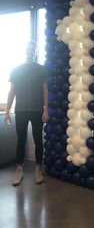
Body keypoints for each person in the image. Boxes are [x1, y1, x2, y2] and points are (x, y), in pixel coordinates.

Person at [4, 41, 49, 186]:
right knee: (21, 140)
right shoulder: (16, 70)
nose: (29, 51)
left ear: (35, 51)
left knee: (37, 140)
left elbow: (45, 90)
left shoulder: (41, 69)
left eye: (32, 49)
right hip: (20, 110)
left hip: (37, 110)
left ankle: (38, 168)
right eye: (27, 49)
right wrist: (7, 111)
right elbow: (12, 91)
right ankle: (19, 170)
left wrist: (46, 109)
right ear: (25, 51)